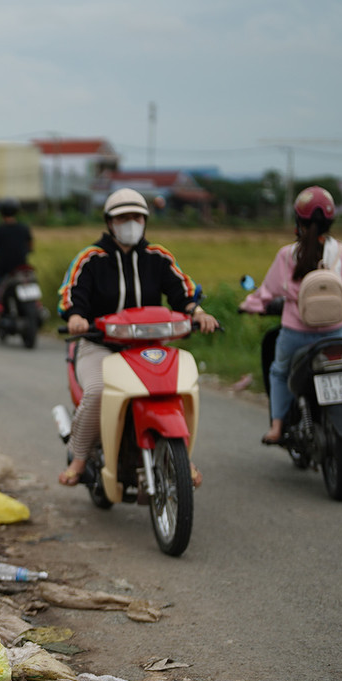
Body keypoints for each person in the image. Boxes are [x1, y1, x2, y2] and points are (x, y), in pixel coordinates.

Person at [56, 187, 219, 487]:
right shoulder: (91, 258)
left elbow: (181, 292)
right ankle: (78, 458)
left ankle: (181, 456)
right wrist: (76, 317)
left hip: (149, 346)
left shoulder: (158, 257)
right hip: (100, 345)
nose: (130, 223)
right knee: (97, 392)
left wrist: (197, 312)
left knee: (174, 389)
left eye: (136, 217)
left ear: (145, 221)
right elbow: (72, 294)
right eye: (123, 217)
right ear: (109, 222)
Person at [238, 185, 342, 445]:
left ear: (298, 221)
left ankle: (276, 428)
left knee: (278, 372)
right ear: (331, 221)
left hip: (295, 335)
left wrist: (249, 305)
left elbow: (267, 292)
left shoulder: (288, 255)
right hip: (335, 332)